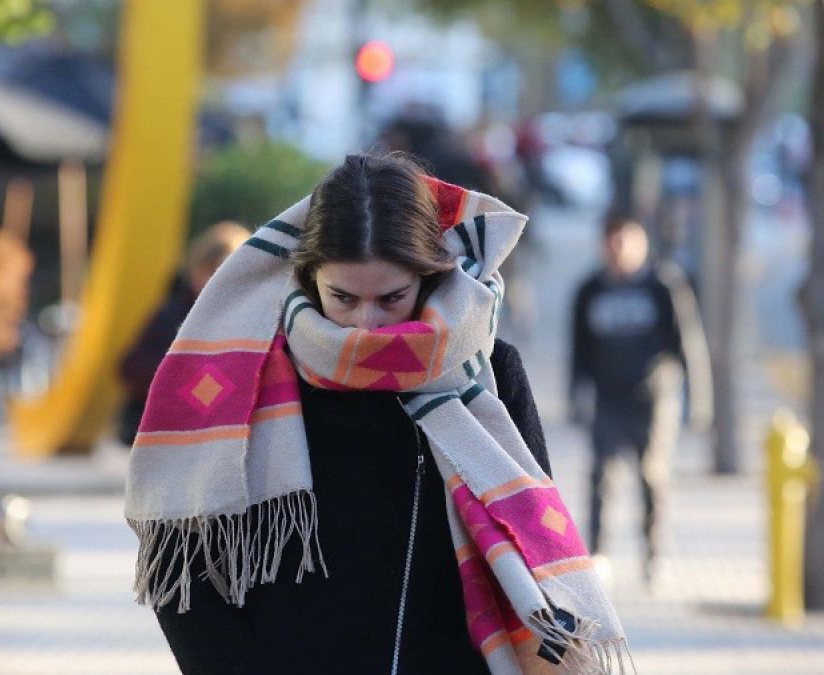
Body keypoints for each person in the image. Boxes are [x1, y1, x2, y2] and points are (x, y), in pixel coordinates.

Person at [125, 154, 628, 674]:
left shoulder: (493, 373)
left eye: (392, 298)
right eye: (342, 297)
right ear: (308, 274)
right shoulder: (248, 382)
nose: (366, 324)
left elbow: (529, 553)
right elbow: (180, 567)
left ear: (429, 277)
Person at [569, 214, 712, 586]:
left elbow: (687, 345)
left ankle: (654, 554)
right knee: (601, 476)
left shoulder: (662, 286)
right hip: (607, 398)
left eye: (626, 241)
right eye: (612, 242)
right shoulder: (589, 290)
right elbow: (578, 350)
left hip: (653, 400)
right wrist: (575, 396)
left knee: (652, 476)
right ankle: (598, 552)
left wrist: (697, 403)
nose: (619, 250)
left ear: (642, 243)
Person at [116, 221, 250, 445]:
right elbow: (129, 367)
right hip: (170, 430)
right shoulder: (171, 315)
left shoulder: (253, 321)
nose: (213, 282)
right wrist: (180, 372)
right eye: (209, 271)